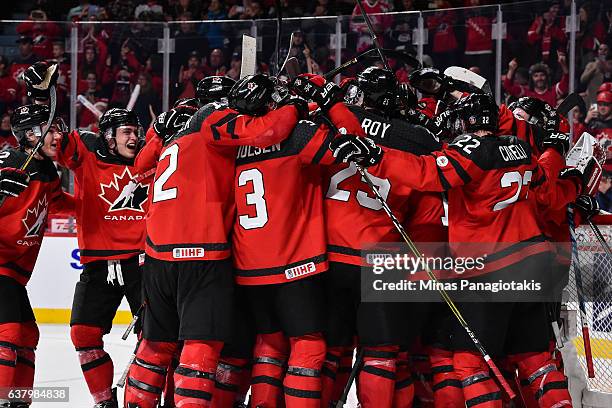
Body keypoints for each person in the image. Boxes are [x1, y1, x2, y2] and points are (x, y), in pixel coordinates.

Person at [333, 94, 574, 408]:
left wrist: (377, 155)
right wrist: (565, 165)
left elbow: (428, 172)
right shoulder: (523, 149)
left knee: (468, 364)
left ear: (470, 122)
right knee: (537, 360)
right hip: (532, 266)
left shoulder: (473, 151)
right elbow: (550, 195)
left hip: (490, 270)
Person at [123, 74, 303, 408]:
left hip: (157, 253)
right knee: (201, 346)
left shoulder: (177, 130)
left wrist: (155, 133)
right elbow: (268, 132)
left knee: (155, 347)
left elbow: (139, 169)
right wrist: (293, 105)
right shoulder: (214, 118)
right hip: (201, 250)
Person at [232, 74, 363, 408]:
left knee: (270, 346)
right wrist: (328, 102)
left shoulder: (235, 140)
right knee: (308, 346)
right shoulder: (299, 135)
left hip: (248, 267)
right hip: (294, 265)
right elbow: (354, 141)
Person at [45, 104, 149, 408]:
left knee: (158, 338)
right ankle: (104, 401)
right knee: (83, 333)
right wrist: (42, 99)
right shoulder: (87, 153)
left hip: (142, 263)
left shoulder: (150, 158)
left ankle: (145, 399)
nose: (134, 138)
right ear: (107, 137)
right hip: (98, 265)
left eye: (136, 132)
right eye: (127, 132)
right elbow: (51, 142)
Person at [0, 103, 73, 407]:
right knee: (10, 332)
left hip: (15, 272)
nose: (58, 136)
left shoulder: (46, 171)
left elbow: (59, 204)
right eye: (51, 130)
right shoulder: (9, 161)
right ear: (30, 135)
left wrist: (99, 206)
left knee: (29, 336)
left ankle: (18, 401)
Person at [504, 57, 569, 107]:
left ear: (547, 77)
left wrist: (563, 65)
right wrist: (511, 70)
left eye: (542, 75)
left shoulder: (553, 91)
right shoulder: (526, 91)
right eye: (536, 76)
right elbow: (508, 87)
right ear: (531, 78)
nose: (539, 78)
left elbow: (566, 83)